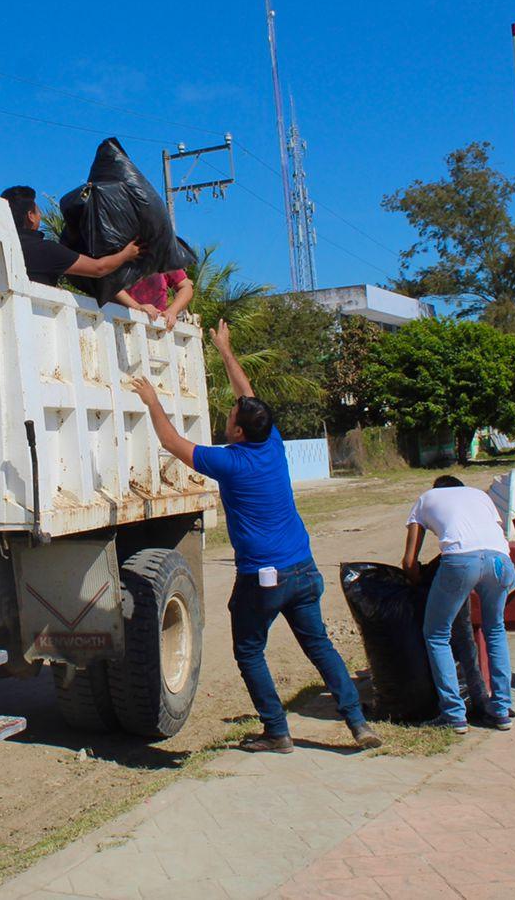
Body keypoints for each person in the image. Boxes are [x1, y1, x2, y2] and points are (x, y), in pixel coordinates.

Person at [127, 320, 380, 752]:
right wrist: (224, 349)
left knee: (248, 651)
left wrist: (151, 399)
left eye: (231, 417)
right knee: (319, 647)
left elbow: (171, 441)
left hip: (264, 578)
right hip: (303, 570)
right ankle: (357, 724)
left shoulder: (230, 463)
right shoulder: (272, 444)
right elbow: (247, 397)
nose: (229, 414)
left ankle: (277, 732)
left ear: (239, 432)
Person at [402, 475, 515, 734]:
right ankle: (500, 711)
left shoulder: (426, 499)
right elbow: (494, 536)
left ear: (437, 489)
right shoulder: (480, 496)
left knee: (436, 634)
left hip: (461, 562)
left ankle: (453, 714)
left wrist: (416, 579)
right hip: (501, 563)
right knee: (495, 630)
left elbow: (409, 562)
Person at [0, 186, 141, 286]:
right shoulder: (45, 249)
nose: (40, 215)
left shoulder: (1, 247)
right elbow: (98, 268)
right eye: (38, 211)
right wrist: (126, 254)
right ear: (31, 216)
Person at [116, 268, 194, 328]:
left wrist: (172, 311)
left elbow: (186, 287)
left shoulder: (165, 255)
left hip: (158, 326)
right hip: (118, 321)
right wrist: (137, 307)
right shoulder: (118, 250)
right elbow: (109, 281)